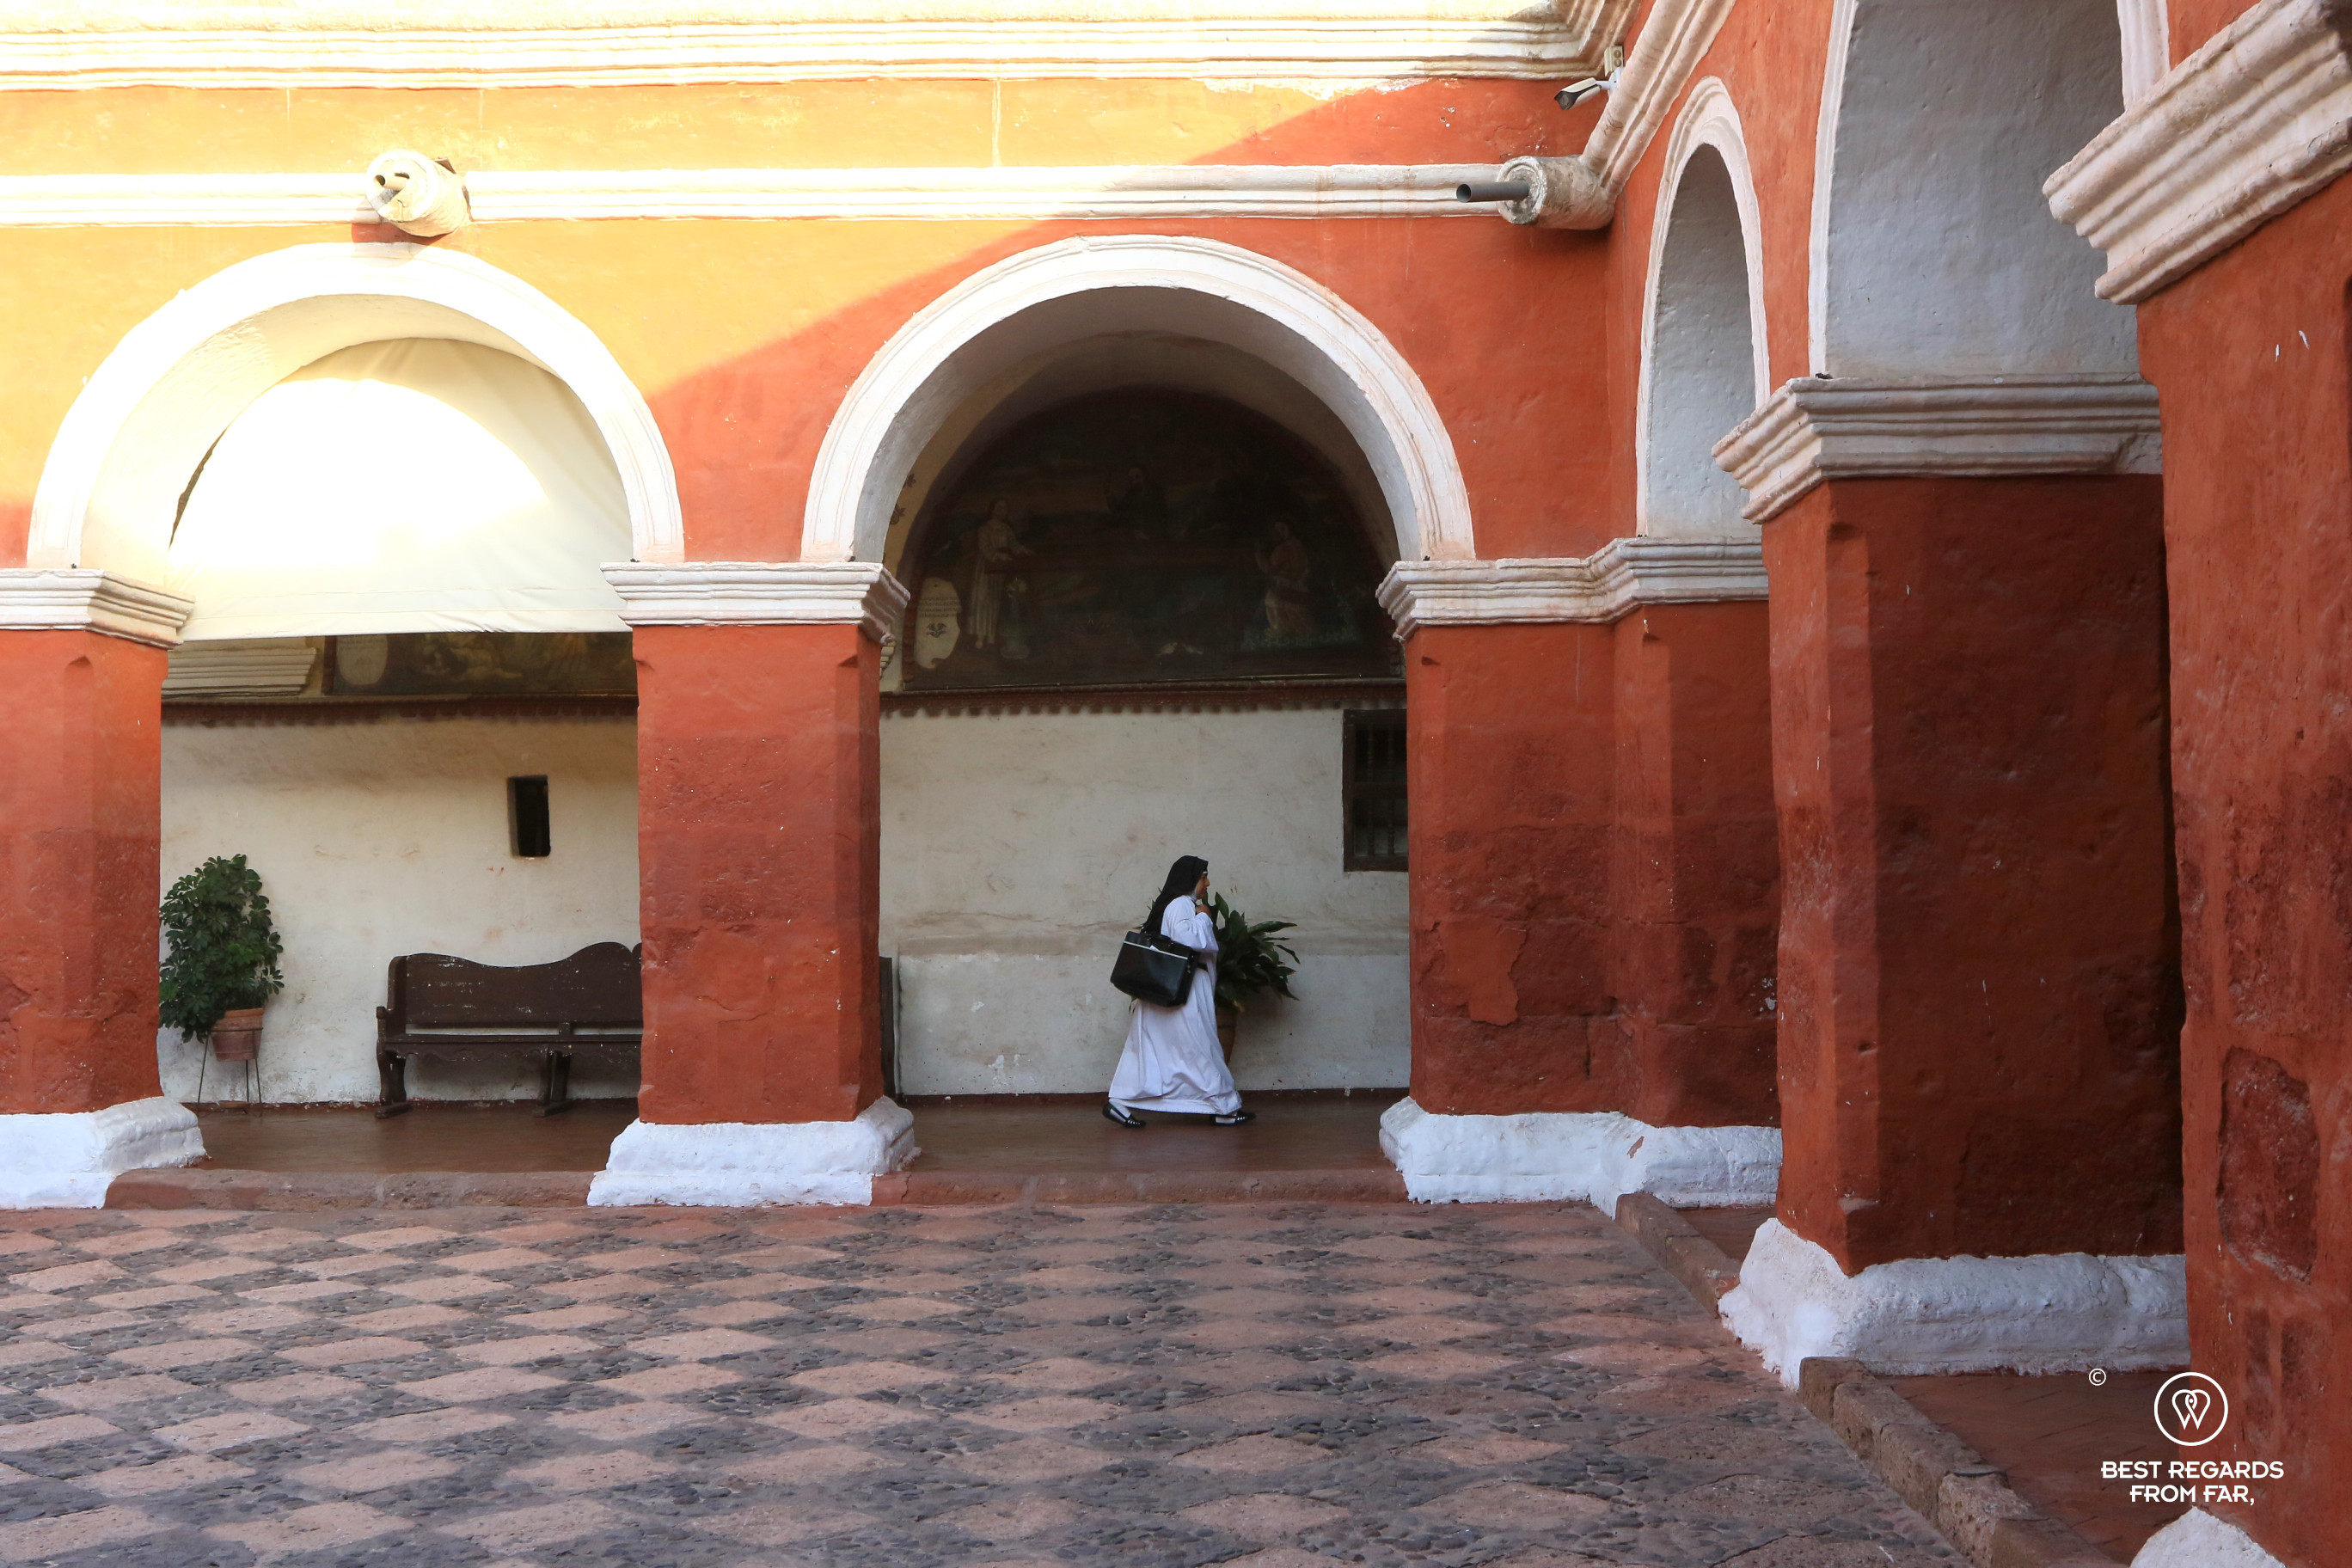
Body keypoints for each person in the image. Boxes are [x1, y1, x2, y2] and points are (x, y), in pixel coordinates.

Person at [1106, 855, 1254, 1127]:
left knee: (1152, 1050)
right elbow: (1190, 939)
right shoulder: (1181, 905)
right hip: (1182, 991)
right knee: (1201, 1046)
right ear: (1191, 880)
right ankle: (1224, 1108)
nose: (1207, 883)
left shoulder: (1177, 905)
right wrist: (1205, 918)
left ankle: (1120, 1102)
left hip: (1168, 991)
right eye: (1204, 877)